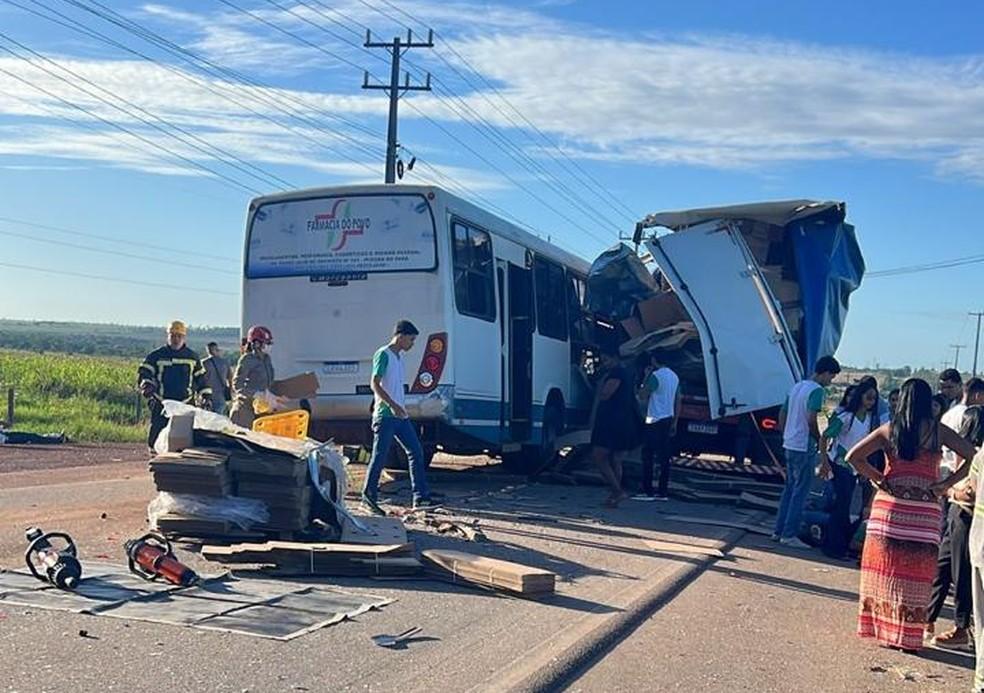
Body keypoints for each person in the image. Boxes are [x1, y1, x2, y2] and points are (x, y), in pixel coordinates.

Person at [846, 377, 976, 653]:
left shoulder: (889, 430)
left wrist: (878, 478)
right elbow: (972, 456)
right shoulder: (938, 431)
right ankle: (910, 638)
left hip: (890, 508)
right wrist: (945, 484)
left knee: (887, 572)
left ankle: (887, 630)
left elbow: (853, 457)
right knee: (917, 575)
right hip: (925, 510)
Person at [926, 377, 984, 650]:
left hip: (967, 516)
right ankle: (926, 617)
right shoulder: (970, 451)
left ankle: (962, 629)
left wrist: (948, 491)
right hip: (956, 513)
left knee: (962, 574)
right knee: (942, 566)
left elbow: (969, 493)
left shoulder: (978, 453)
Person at [361, 320, 434, 515]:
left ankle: (421, 497)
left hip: (400, 416)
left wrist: (401, 407)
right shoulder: (383, 354)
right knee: (379, 456)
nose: (412, 344)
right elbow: (375, 384)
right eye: (411, 339)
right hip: (385, 416)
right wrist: (392, 405)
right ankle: (368, 498)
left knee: (416, 451)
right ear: (400, 336)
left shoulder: (398, 358)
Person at [772, 355, 841, 549]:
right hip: (803, 445)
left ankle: (778, 530)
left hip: (790, 443)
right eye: (831, 377)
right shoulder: (817, 391)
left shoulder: (797, 387)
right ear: (825, 372)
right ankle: (789, 533)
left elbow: (782, 412)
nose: (830, 381)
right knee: (800, 492)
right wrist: (819, 439)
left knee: (789, 489)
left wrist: (786, 433)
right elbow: (812, 419)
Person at [818, 380, 878, 559]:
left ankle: (839, 546)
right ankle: (833, 548)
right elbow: (825, 437)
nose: (871, 402)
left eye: (874, 399)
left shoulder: (869, 421)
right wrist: (824, 462)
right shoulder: (845, 417)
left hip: (854, 470)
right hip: (839, 466)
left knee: (848, 509)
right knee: (840, 509)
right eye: (868, 397)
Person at [137, 320, 212, 454]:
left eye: (179, 336)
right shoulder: (156, 356)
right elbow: (144, 372)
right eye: (173, 336)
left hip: (185, 405)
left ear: (184, 337)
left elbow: (201, 379)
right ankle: (155, 464)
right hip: (162, 404)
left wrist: (206, 396)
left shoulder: (192, 357)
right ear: (168, 336)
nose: (176, 339)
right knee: (155, 438)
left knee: (184, 440)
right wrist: (146, 384)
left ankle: (179, 470)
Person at [589, 348, 643, 508]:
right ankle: (614, 496)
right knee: (616, 459)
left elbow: (606, 394)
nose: (605, 364)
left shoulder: (617, 374)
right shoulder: (626, 373)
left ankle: (617, 491)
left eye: (606, 360)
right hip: (624, 422)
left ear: (615, 358)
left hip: (612, 422)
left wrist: (600, 387)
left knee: (599, 456)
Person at [633, 351, 680, 502]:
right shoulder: (674, 377)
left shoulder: (656, 376)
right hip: (668, 418)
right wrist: (675, 421)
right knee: (664, 457)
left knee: (648, 455)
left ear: (654, 361)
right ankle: (663, 491)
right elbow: (678, 400)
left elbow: (642, 395)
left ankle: (647, 490)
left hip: (654, 419)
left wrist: (646, 376)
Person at [229, 325, 280, 429]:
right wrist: (255, 394)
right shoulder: (247, 360)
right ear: (256, 344)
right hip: (245, 411)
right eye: (267, 343)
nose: (269, 346)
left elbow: (269, 380)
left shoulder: (267, 359)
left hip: (261, 407)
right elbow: (237, 385)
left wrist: (269, 394)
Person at [202, 342, 232, 415]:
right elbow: (230, 378)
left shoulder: (203, 363)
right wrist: (230, 390)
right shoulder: (224, 362)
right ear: (217, 349)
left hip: (207, 396)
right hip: (221, 395)